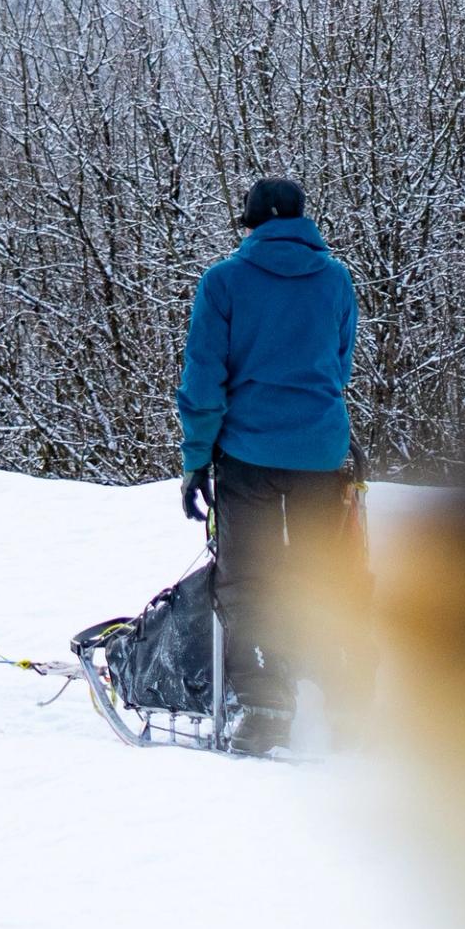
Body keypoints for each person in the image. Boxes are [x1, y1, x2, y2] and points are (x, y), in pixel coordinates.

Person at [177, 175, 362, 753]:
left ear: (251, 224)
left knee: (251, 579)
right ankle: (347, 708)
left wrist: (196, 460)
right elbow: (340, 363)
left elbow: (204, 381)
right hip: (321, 452)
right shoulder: (336, 280)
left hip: (248, 454)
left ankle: (263, 709)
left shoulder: (224, 282)